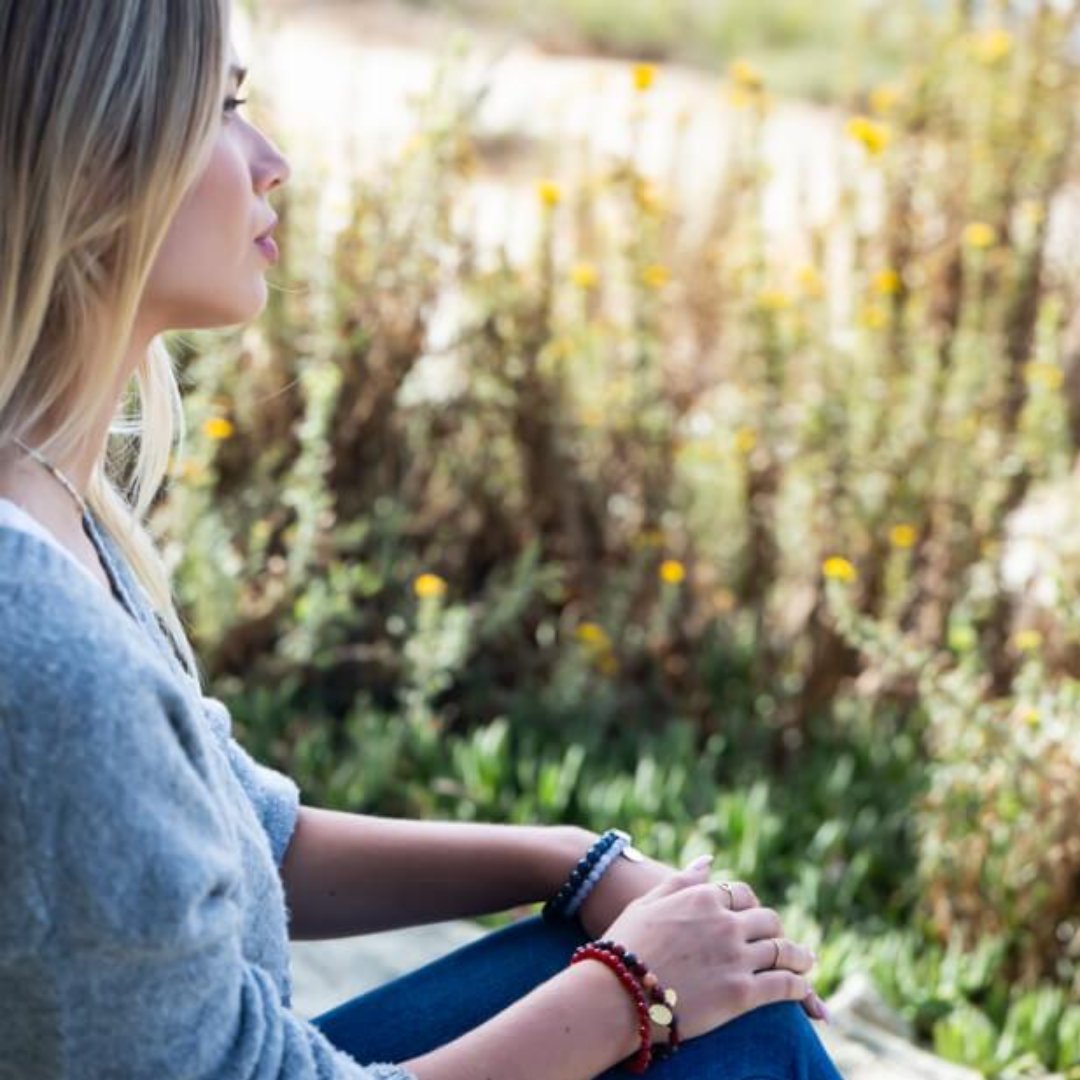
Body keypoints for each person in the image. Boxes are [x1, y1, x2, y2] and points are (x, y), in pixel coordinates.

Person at [0, 3, 844, 1078]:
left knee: (711, 988)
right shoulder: (38, 642)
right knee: (729, 1030)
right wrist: (635, 988)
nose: (275, 162)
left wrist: (580, 864)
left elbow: (248, 838)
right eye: (224, 109)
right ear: (89, 153)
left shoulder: (49, 503)